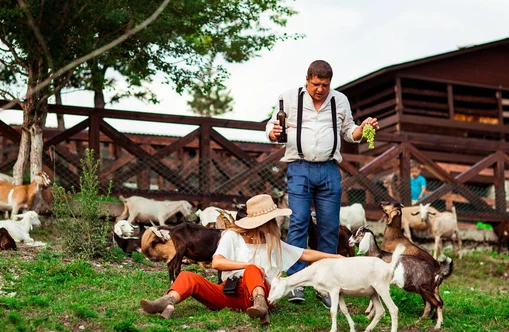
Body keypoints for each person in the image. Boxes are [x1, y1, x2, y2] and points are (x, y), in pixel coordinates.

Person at [266, 60, 379, 307]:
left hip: (329, 169)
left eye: (325, 85)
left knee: (329, 225)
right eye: (316, 84)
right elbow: (273, 126)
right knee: (299, 221)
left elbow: (350, 132)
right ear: (307, 79)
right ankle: (296, 282)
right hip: (300, 166)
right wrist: (272, 132)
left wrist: (363, 128)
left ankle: (326, 284)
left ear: (330, 82)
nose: (320, 89)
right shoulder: (288, 98)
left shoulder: (340, 101)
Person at [139, 194, 342, 325]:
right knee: (188, 276)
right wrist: (247, 265)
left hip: (262, 296)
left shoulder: (272, 241)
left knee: (253, 271)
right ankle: (166, 301)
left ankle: (261, 306)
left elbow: (304, 253)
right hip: (231, 293)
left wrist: (335, 256)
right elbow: (217, 262)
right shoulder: (232, 236)